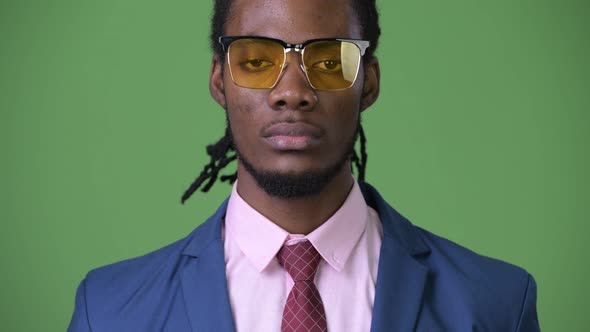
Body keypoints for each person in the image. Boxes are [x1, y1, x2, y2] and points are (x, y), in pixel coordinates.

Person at [68, 0, 540, 331]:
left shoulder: (496, 304)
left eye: (330, 62)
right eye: (255, 60)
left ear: (369, 82)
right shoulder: (109, 311)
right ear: (219, 81)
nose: (291, 91)